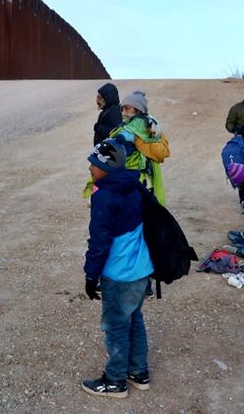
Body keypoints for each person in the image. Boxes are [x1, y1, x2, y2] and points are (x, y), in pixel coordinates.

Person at [81, 139, 154, 399]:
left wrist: (91, 275)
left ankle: (115, 382)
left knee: (116, 326)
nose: (90, 167)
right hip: (141, 269)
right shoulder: (133, 186)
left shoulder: (105, 195)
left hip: (119, 273)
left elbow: (99, 241)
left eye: (95, 163)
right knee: (134, 319)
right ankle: (138, 372)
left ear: (107, 167)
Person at [110, 91, 170, 204]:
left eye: (127, 109)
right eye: (122, 109)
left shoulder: (154, 131)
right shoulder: (120, 129)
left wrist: (138, 140)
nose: (123, 113)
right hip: (122, 179)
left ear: (139, 110)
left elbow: (163, 153)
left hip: (144, 180)